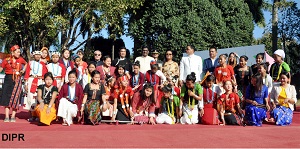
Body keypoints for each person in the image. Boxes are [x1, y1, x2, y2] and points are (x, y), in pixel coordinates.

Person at [0, 45, 27, 122]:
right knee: (7, 97)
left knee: (16, 97)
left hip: (17, 79)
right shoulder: (6, 60)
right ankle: (6, 116)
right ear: (13, 52)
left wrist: (23, 70)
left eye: (19, 52)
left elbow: (26, 64)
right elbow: (1, 68)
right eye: (17, 52)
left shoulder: (21, 59)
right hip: (8, 79)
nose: (19, 53)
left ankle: (13, 116)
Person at [24, 50, 48, 121]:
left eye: (39, 55)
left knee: (39, 98)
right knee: (30, 98)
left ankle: (38, 115)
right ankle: (32, 115)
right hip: (31, 81)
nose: (37, 56)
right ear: (34, 56)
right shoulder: (30, 63)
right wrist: (26, 84)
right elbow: (27, 73)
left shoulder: (43, 64)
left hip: (40, 81)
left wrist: (44, 84)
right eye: (36, 55)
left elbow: (44, 74)